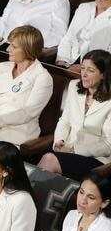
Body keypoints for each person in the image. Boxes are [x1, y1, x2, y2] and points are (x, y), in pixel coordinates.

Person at [0, 26, 54, 147]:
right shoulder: (2, 67)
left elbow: (26, 113)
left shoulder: (43, 77)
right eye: (9, 44)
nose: (8, 49)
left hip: (18, 136)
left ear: (28, 49)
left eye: (14, 46)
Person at [39, 50, 111, 180]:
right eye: (82, 68)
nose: (84, 74)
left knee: (49, 160)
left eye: (90, 70)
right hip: (66, 148)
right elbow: (65, 121)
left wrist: (74, 150)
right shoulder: (74, 87)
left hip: (96, 159)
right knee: (46, 160)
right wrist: (59, 141)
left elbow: (108, 144)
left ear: (103, 75)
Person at [56, 0, 111, 69]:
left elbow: (108, 54)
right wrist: (62, 60)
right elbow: (68, 37)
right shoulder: (84, 8)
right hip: (70, 60)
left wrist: (83, 67)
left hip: (95, 68)